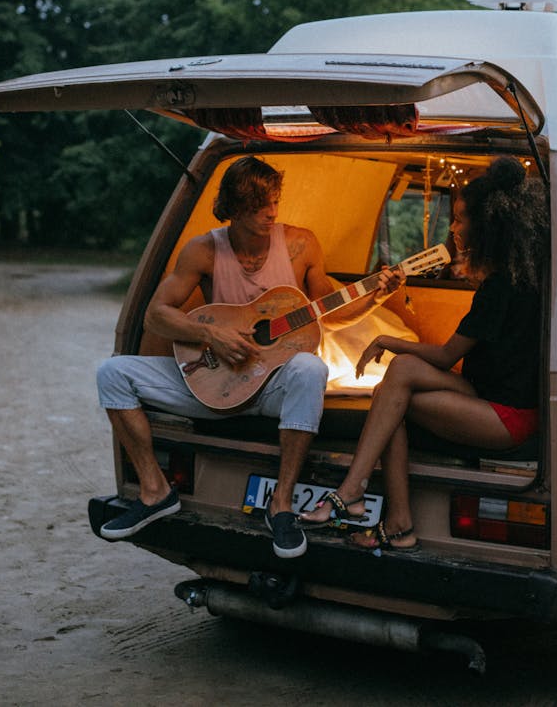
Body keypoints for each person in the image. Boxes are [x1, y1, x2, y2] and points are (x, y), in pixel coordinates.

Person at [96, 156, 401, 558]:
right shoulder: (203, 251)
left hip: (271, 391)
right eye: (259, 206)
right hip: (213, 386)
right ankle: (155, 492)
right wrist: (210, 334)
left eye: (274, 201)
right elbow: (157, 313)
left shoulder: (300, 245)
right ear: (233, 208)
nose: (271, 213)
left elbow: (331, 311)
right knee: (112, 374)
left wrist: (379, 293)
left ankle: (282, 506)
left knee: (310, 368)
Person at [299, 156, 548, 552]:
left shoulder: (501, 288)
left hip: (506, 416)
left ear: (487, 227)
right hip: (480, 393)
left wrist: (386, 341)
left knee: (392, 395)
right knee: (394, 385)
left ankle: (367, 501)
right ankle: (371, 505)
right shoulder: (513, 278)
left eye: (461, 219)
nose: (453, 227)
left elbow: (447, 355)